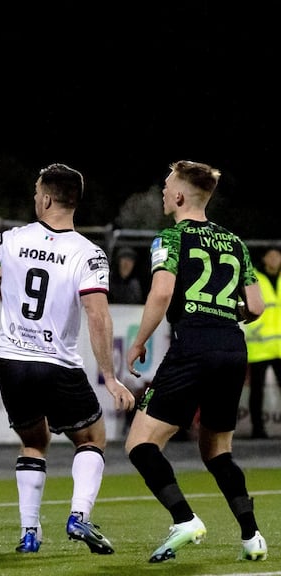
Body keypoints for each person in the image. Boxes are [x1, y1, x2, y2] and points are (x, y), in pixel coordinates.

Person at [0, 163, 135, 555]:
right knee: (92, 438)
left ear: (49, 198)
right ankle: (78, 516)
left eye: (38, 192)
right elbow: (97, 314)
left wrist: (5, 273)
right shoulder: (89, 254)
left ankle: (29, 533)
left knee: (34, 442)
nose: (35, 198)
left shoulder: (10, 240)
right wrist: (110, 375)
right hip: (56, 362)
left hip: (11, 362)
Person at [124, 160, 268, 563]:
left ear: (181, 195)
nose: (163, 191)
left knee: (139, 443)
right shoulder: (235, 242)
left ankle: (184, 518)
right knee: (217, 450)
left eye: (167, 185)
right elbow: (255, 305)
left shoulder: (170, 238)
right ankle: (252, 535)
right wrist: (223, 315)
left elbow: (161, 294)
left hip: (193, 347)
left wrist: (139, 343)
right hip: (232, 349)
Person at [242, 246, 281, 439]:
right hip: (260, 346)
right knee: (256, 391)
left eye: (277, 256)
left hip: (279, 347)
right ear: (264, 259)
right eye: (271, 255)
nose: (274, 259)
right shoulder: (253, 277)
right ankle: (257, 428)